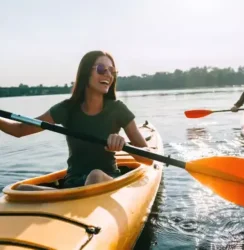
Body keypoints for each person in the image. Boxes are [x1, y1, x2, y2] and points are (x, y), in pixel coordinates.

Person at [0, 50, 153, 191]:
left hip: (106, 180)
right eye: (101, 69)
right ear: (86, 72)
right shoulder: (66, 109)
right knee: (21, 189)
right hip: (72, 184)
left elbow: (148, 159)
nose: (108, 75)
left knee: (95, 176)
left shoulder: (118, 110)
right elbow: (19, 130)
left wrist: (123, 145)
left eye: (112, 71)